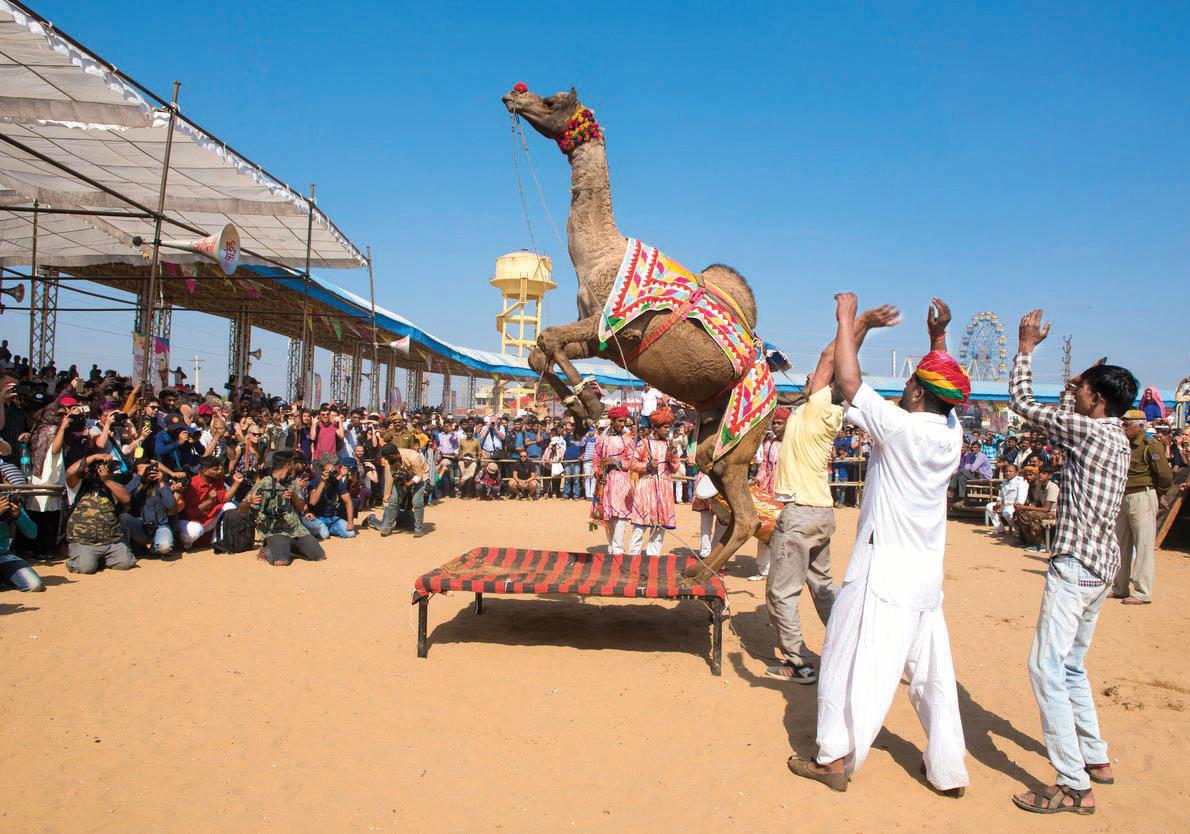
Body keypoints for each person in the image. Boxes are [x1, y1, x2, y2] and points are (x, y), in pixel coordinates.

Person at [789, 295, 969, 797]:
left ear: (915, 393)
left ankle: (832, 759)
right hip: (924, 580)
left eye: (911, 383)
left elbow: (849, 383)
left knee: (846, 664)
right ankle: (948, 771)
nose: (904, 389)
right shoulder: (950, 434)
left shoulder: (899, 429)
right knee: (933, 677)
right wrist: (938, 339)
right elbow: (940, 393)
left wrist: (847, 318)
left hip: (881, 572)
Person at [1007, 310, 1136, 815]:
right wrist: (1081, 377)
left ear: (1097, 401)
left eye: (1082, 388)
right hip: (1100, 565)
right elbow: (1068, 414)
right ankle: (1097, 759)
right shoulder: (1111, 433)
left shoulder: (1090, 432)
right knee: (1073, 667)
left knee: (1045, 668)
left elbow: (1021, 403)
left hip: (1076, 565)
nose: (1075, 391)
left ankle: (1072, 782)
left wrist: (1024, 348)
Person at [766, 303, 899, 681]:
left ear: (828, 387)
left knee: (782, 593)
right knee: (822, 587)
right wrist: (864, 329)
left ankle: (798, 663)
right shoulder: (827, 413)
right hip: (822, 513)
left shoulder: (816, 407)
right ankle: (849, 647)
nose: (811, 375)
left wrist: (861, 323)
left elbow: (832, 355)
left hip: (800, 513)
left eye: (817, 377)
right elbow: (838, 360)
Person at [1111, 409, 1173, 605]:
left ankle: (1142, 592)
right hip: (1124, 496)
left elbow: (1164, 475)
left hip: (1142, 495)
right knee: (1121, 544)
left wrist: (1159, 493)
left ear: (1139, 426)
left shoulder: (1150, 446)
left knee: (1143, 546)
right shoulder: (1122, 444)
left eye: (1127, 425)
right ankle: (1119, 588)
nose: (1124, 428)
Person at [245, 451, 325, 566]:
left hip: (296, 529)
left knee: (319, 556)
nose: (294, 466)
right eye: (293, 463)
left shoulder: (292, 483)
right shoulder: (263, 483)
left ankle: (292, 547)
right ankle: (267, 547)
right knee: (281, 562)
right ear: (287, 465)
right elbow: (242, 509)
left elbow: (301, 508)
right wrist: (249, 501)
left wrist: (293, 496)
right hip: (274, 531)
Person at [65, 454, 136, 574]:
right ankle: (85, 558)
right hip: (84, 542)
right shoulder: (79, 486)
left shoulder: (110, 486)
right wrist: (94, 457)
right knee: (86, 568)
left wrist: (107, 480)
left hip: (111, 541)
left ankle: (98, 558)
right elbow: (70, 473)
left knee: (125, 564)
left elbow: (126, 498)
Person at [627, 407, 681, 556]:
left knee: (659, 529)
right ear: (655, 428)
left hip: (664, 489)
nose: (667, 430)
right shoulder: (643, 444)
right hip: (646, 489)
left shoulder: (669, 446)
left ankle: (653, 559)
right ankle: (632, 559)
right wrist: (647, 466)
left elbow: (675, 469)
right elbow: (632, 464)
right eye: (665, 427)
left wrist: (673, 454)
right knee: (640, 528)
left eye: (669, 427)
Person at [748, 407, 789, 581]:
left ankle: (782, 569)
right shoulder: (768, 443)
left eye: (779, 423)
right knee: (765, 529)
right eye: (774, 423)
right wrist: (757, 479)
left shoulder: (793, 444)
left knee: (785, 531)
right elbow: (764, 467)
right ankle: (763, 569)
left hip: (785, 493)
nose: (775, 426)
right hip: (768, 492)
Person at [591, 405, 636, 554]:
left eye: (624, 421)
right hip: (604, 482)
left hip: (621, 481)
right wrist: (598, 473)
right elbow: (596, 458)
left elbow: (633, 462)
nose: (623, 424)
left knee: (621, 515)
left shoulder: (627, 439)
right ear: (612, 420)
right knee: (608, 516)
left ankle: (618, 549)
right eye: (620, 421)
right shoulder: (601, 439)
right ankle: (611, 548)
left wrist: (616, 462)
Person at [120, 461, 179, 557]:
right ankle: (126, 550)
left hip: (160, 526)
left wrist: (161, 483)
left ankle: (154, 549)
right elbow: (123, 495)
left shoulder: (161, 485)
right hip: (141, 527)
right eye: (145, 471)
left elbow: (171, 504)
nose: (148, 473)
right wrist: (139, 476)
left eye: (149, 470)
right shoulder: (135, 485)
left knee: (164, 547)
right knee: (124, 518)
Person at [178, 456, 239, 549]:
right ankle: (181, 543)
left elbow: (225, 499)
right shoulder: (192, 484)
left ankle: (217, 542)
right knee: (196, 530)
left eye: (220, 468)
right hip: (190, 521)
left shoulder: (217, 480)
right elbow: (191, 514)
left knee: (230, 506)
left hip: (207, 519)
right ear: (204, 471)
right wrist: (209, 501)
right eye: (215, 469)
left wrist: (236, 483)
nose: (219, 471)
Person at [373, 443, 430, 537]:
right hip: (403, 476)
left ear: (392, 455)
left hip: (420, 477)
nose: (386, 460)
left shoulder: (413, 457)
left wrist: (408, 484)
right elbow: (392, 469)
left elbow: (419, 476)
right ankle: (388, 527)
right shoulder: (392, 458)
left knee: (417, 502)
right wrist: (395, 476)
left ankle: (419, 529)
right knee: (393, 501)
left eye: (386, 458)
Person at [303, 453, 357, 540]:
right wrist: (323, 482)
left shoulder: (337, 482)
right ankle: (325, 529)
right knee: (324, 535)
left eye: (334, 472)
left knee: (350, 533)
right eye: (329, 472)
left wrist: (350, 522)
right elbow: (313, 502)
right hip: (318, 517)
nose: (332, 474)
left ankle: (330, 529)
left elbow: (348, 502)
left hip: (333, 518)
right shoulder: (315, 482)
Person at [0, 486, 43, 592]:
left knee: (33, 585)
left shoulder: (8, 501)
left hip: (3, 556)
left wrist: (18, 516)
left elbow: (32, 533)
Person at [1015, 466, 1060, 552]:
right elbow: (1034, 504)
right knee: (1021, 513)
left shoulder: (1052, 487)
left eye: (1043, 473)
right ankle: (1031, 542)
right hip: (1047, 512)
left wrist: (1024, 507)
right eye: (1040, 473)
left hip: (1054, 513)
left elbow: (1046, 509)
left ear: (1050, 476)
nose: (1040, 475)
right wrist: (1021, 508)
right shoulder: (1041, 487)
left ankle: (1041, 544)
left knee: (1032, 515)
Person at [985, 462, 1026, 536]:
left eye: (1010, 471)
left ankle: (1019, 531)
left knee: (1007, 513)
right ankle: (1000, 529)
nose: (1008, 473)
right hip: (1004, 505)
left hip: (1014, 506)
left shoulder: (1021, 481)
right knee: (990, 506)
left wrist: (1017, 507)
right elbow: (1001, 495)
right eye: (1006, 471)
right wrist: (999, 501)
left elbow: (1021, 498)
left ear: (1016, 473)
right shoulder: (1004, 481)